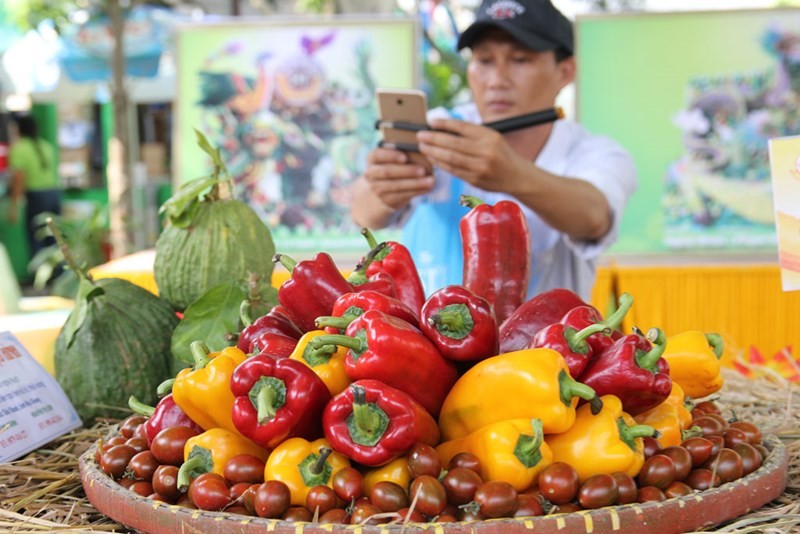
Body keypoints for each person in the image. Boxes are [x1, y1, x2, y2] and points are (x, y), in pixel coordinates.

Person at [350, 0, 637, 302]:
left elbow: (594, 216)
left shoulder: (596, 153)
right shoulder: (438, 128)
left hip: (543, 347)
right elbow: (363, 212)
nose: (497, 80)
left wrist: (511, 174)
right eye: (484, 61)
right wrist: (383, 189)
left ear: (565, 71)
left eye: (520, 60)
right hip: (427, 343)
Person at [7, 114, 61, 259]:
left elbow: (19, 178)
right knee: (54, 236)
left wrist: (13, 206)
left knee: (36, 237)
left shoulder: (19, 148)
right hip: (54, 194)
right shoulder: (46, 146)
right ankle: (58, 275)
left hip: (36, 197)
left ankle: (41, 277)